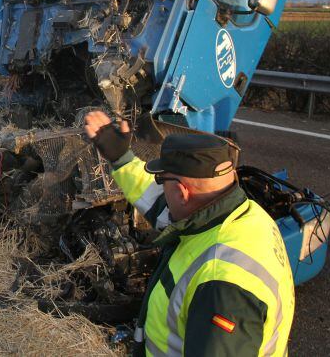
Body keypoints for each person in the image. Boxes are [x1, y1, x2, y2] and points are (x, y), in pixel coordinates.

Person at [84, 111, 295, 357]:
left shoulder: (221, 286)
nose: (160, 188)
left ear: (183, 193)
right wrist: (121, 158)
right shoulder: (246, 214)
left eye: (162, 181)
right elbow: (161, 202)